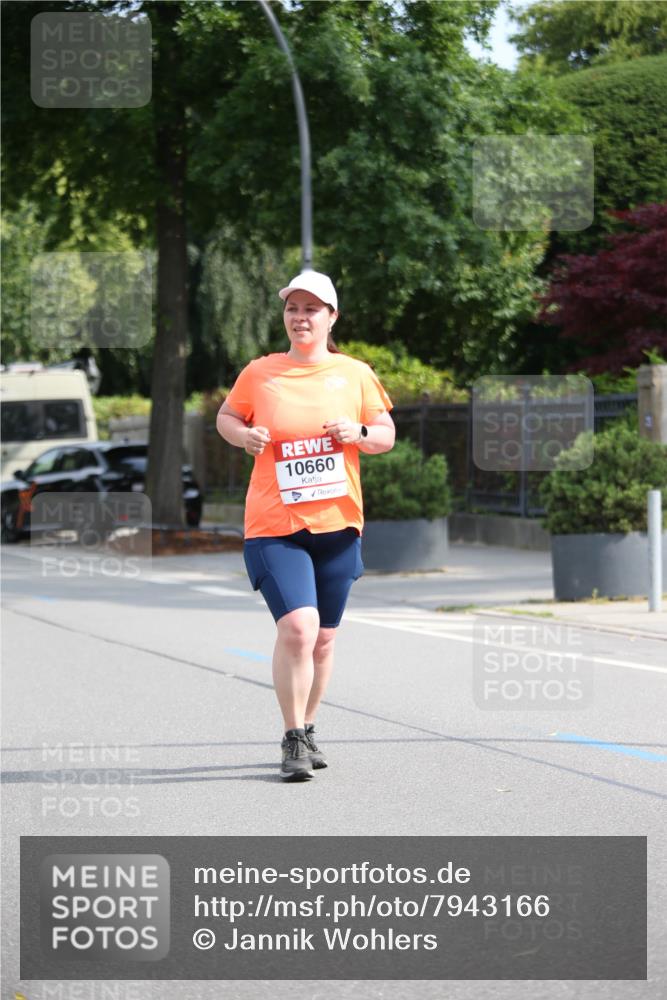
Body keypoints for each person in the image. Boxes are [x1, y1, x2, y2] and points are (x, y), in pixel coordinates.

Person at [216, 270, 395, 781]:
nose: (300, 318)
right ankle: (293, 735)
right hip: (274, 524)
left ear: (331, 317)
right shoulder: (261, 372)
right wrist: (244, 436)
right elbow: (227, 417)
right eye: (293, 308)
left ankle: (309, 725)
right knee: (298, 627)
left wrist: (358, 432)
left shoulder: (354, 374)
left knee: (323, 640)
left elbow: (385, 434)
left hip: (337, 525)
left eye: (311, 309)